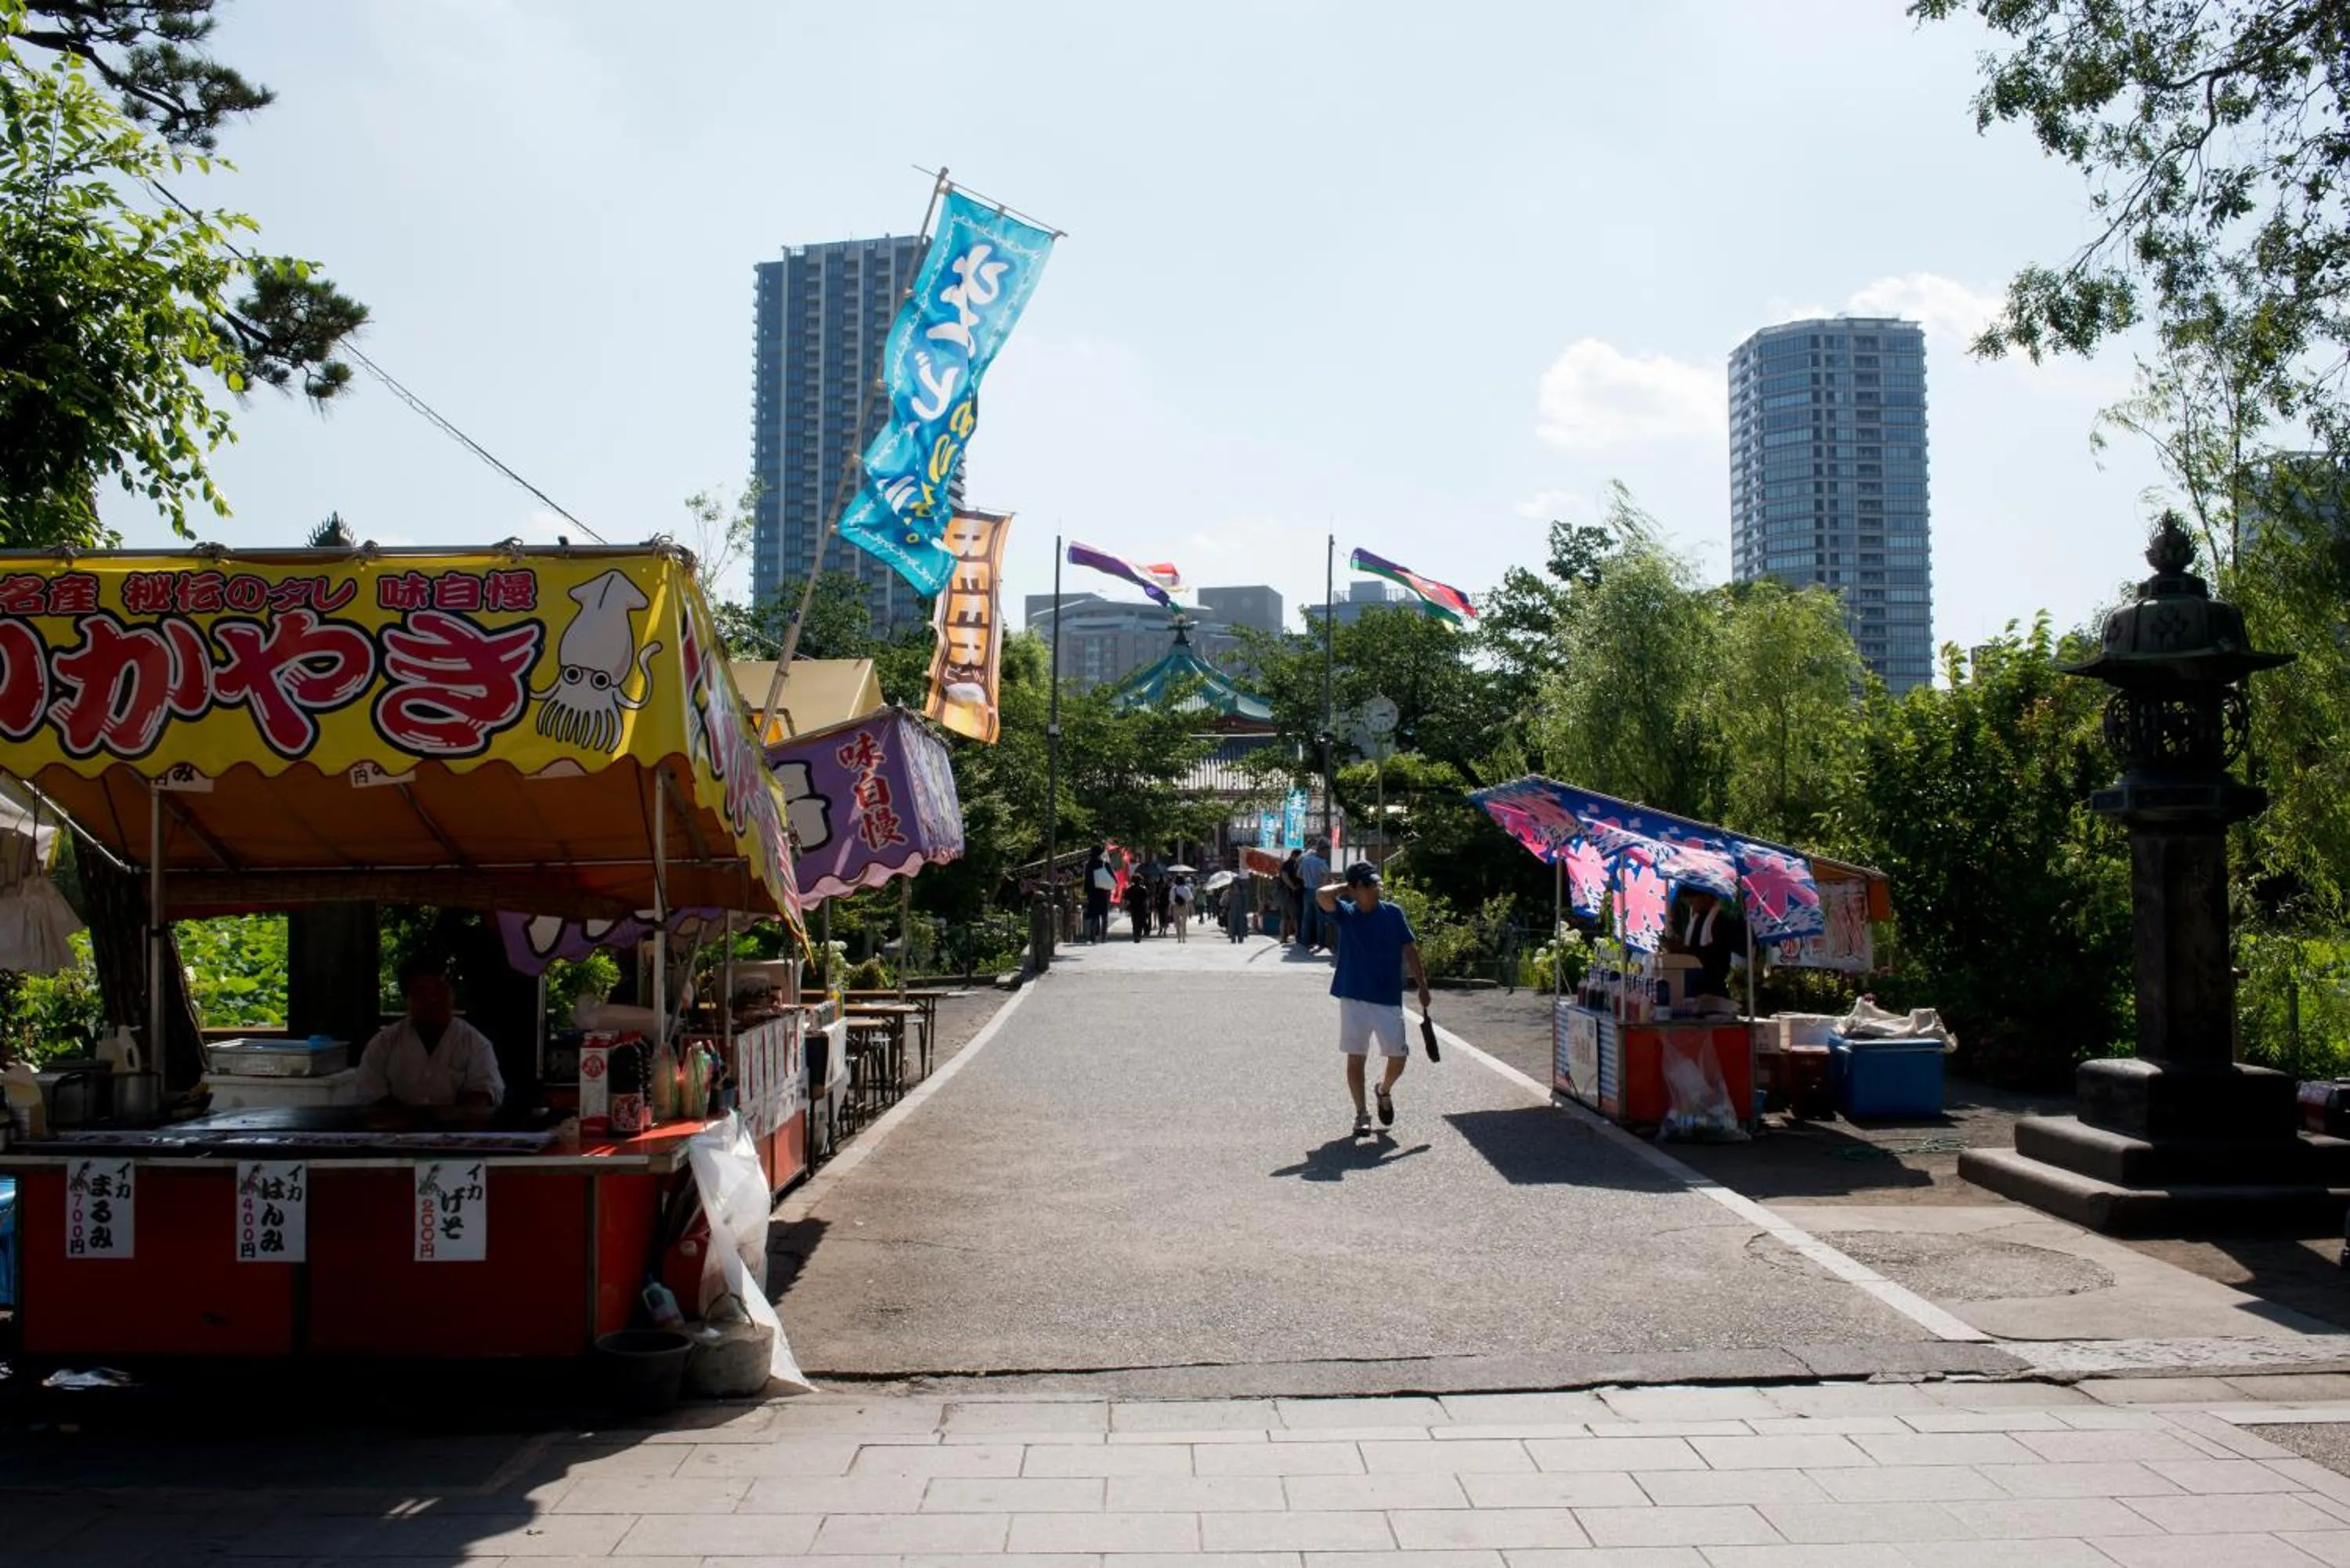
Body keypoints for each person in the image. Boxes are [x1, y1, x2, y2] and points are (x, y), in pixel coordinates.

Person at [1314, 862, 1430, 1136]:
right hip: (1353, 995)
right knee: (1356, 1057)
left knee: (1398, 1057)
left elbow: (1410, 949)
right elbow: (1321, 895)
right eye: (1368, 885)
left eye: (1376, 883)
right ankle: (1361, 1114)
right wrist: (1346, 887)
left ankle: (1384, 1090)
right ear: (1355, 889)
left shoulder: (1393, 913)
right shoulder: (1347, 914)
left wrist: (1423, 984)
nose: (1375, 889)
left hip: (1387, 996)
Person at [356, 954, 505, 1111]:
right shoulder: (383, 1044)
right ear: (408, 998)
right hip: (397, 1134)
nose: (431, 999)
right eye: (420, 991)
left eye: (439, 990)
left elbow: (486, 1093)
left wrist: (456, 1117)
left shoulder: (476, 1044)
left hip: (457, 1132)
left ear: (452, 995)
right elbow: (370, 1095)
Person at [1665, 887, 1747, 1001]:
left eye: (1693, 901)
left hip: (1713, 984)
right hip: (1692, 985)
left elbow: (1713, 954)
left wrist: (1684, 950)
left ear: (1707, 898)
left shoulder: (1722, 920)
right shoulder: (1696, 919)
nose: (1691, 905)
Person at [1296, 843, 1329, 952]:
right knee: (1320, 917)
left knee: (1306, 917)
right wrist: (1323, 886)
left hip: (1307, 890)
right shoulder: (1321, 862)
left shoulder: (1305, 860)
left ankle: (1304, 941)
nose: (1327, 854)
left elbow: (1298, 874)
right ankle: (1321, 942)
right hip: (1318, 890)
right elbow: (1326, 875)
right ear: (1322, 851)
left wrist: (1307, 879)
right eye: (1326, 852)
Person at [1084, 847, 1113, 944]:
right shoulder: (1105, 864)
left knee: (1094, 915)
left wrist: (1087, 892)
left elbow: (1086, 880)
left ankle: (1093, 934)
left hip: (1092, 893)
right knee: (1104, 915)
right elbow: (1112, 878)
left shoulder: (1088, 865)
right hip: (1103, 892)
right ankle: (1103, 937)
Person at [1280, 850, 1303, 945]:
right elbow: (1284, 876)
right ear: (1294, 855)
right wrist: (1293, 887)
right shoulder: (1289, 864)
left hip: (1285, 894)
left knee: (1285, 917)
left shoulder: (1288, 863)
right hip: (1289, 895)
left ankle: (1283, 937)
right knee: (1294, 916)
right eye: (1299, 857)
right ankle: (1297, 937)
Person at [1122, 872, 1152, 942]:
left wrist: (1124, 907)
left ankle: (1136, 934)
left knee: (1134, 921)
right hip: (1142, 907)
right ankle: (1139, 934)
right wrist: (1148, 908)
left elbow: (1126, 899)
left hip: (1133, 907)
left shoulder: (1130, 889)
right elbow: (1147, 899)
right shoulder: (1143, 889)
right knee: (1141, 921)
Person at [1169, 872, 1194, 942]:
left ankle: (1179, 938)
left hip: (1176, 907)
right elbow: (1190, 900)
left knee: (1177, 923)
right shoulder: (1187, 889)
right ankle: (1184, 938)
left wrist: (1169, 909)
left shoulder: (1173, 889)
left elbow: (1171, 900)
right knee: (1184, 923)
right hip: (1184, 906)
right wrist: (1192, 910)